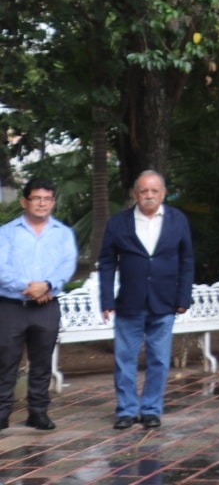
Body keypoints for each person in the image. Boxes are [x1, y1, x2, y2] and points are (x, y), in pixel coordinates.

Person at [97, 170, 196, 430]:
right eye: (144, 191)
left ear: (162, 193)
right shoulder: (119, 223)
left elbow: (187, 261)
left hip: (164, 302)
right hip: (129, 302)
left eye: (154, 191)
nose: (149, 196)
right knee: (124, 359)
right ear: (135, 194)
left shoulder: (177, 220)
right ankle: (127, 410)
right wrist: (106, 299)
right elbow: (107, 263)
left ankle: (151, 409)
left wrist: (184, 296)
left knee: (159, 360)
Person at [0, 178, 77, 432]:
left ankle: (38, 413)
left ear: (53, 202)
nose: (42, 203)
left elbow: (66, 266)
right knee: (5, 361)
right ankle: (2, 413)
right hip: (11, 306)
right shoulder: (6, 232)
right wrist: (31, 287)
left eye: (47, 199)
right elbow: (1, 268)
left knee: (42, 362)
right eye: (36, 198)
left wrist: (48, 284)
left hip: (46, 308)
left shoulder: (63, 234)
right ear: (25, 201)